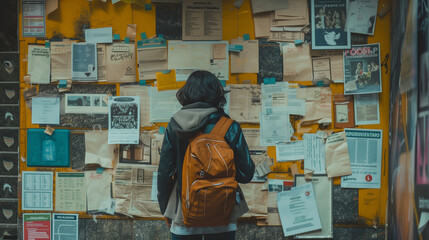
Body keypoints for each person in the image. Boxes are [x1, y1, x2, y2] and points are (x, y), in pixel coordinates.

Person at [157, 70, 255, 240]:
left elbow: (165, 173)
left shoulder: (174, 125)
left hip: (183, 214)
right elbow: (246, 174)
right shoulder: (230, 127)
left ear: (186, 93)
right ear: (217, 94)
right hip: (223, 214)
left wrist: (165, 208)